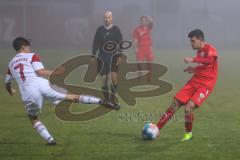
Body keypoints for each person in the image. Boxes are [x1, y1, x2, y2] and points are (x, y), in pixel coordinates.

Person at [4, 37, 119, 145]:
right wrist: (56, 72)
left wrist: (10, 91)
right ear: (24, 47)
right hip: (42, 84)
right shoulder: (31, 56)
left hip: (28, 92)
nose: (30, 49)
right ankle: (101, 102)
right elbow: (40, 72)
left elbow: (7, 82)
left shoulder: (11, 64)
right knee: (72, 97)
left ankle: (50, 140)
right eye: (28, 46)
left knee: (33, 118)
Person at [156, 29, 218, 141]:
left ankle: (188, 133)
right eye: (191, 41)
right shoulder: (199, 51)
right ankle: (156, 129)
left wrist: (192, 59)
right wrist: (194, 69)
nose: (191, 44)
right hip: (195, 81)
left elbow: (209, 61)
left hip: (206, 85)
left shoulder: (210, 49)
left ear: (200, 39)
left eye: (193, 41)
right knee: (175, 104)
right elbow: (205, 66)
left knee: (188, 108)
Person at [91, 11, 123, 102]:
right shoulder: (100, 30)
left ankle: (112, 99)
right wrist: (93, 55)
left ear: (111, 18)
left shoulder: (116, 29)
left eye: (108, 17)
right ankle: (107, 100)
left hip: (113, 57)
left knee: (114, 79)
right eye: (105, 17)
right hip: (102, 57)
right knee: (104, 80)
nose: (107, 19)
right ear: (103, 18)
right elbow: (95, 43)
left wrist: (120, 55)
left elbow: (120, 43)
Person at [133, 16, 154, 81]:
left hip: (148, 47)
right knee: (139, 62)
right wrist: (135, 47)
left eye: (145, 20)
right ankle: (140, 75)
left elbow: (152, 24)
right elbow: (135, 39)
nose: (144, 21)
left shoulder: (148, 28)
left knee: (149, 63)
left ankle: (149, 77)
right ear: (140, 21)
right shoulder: (137, 29)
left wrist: (150, 19)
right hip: (140, 48)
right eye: (142, 20)